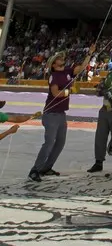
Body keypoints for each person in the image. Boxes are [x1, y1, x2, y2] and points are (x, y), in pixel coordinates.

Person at [28, 44, 95, 182]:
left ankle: (46, 167)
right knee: (49, 143)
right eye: (58, 58)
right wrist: (69, 91)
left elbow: (82, 68)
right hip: (51, 113)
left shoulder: (67, 71)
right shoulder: (54, 76)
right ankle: (35, 169)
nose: (61, 59)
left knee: (60, 142)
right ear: (53, 64)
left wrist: (89, 53)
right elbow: (55, 93)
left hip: (60, 114)